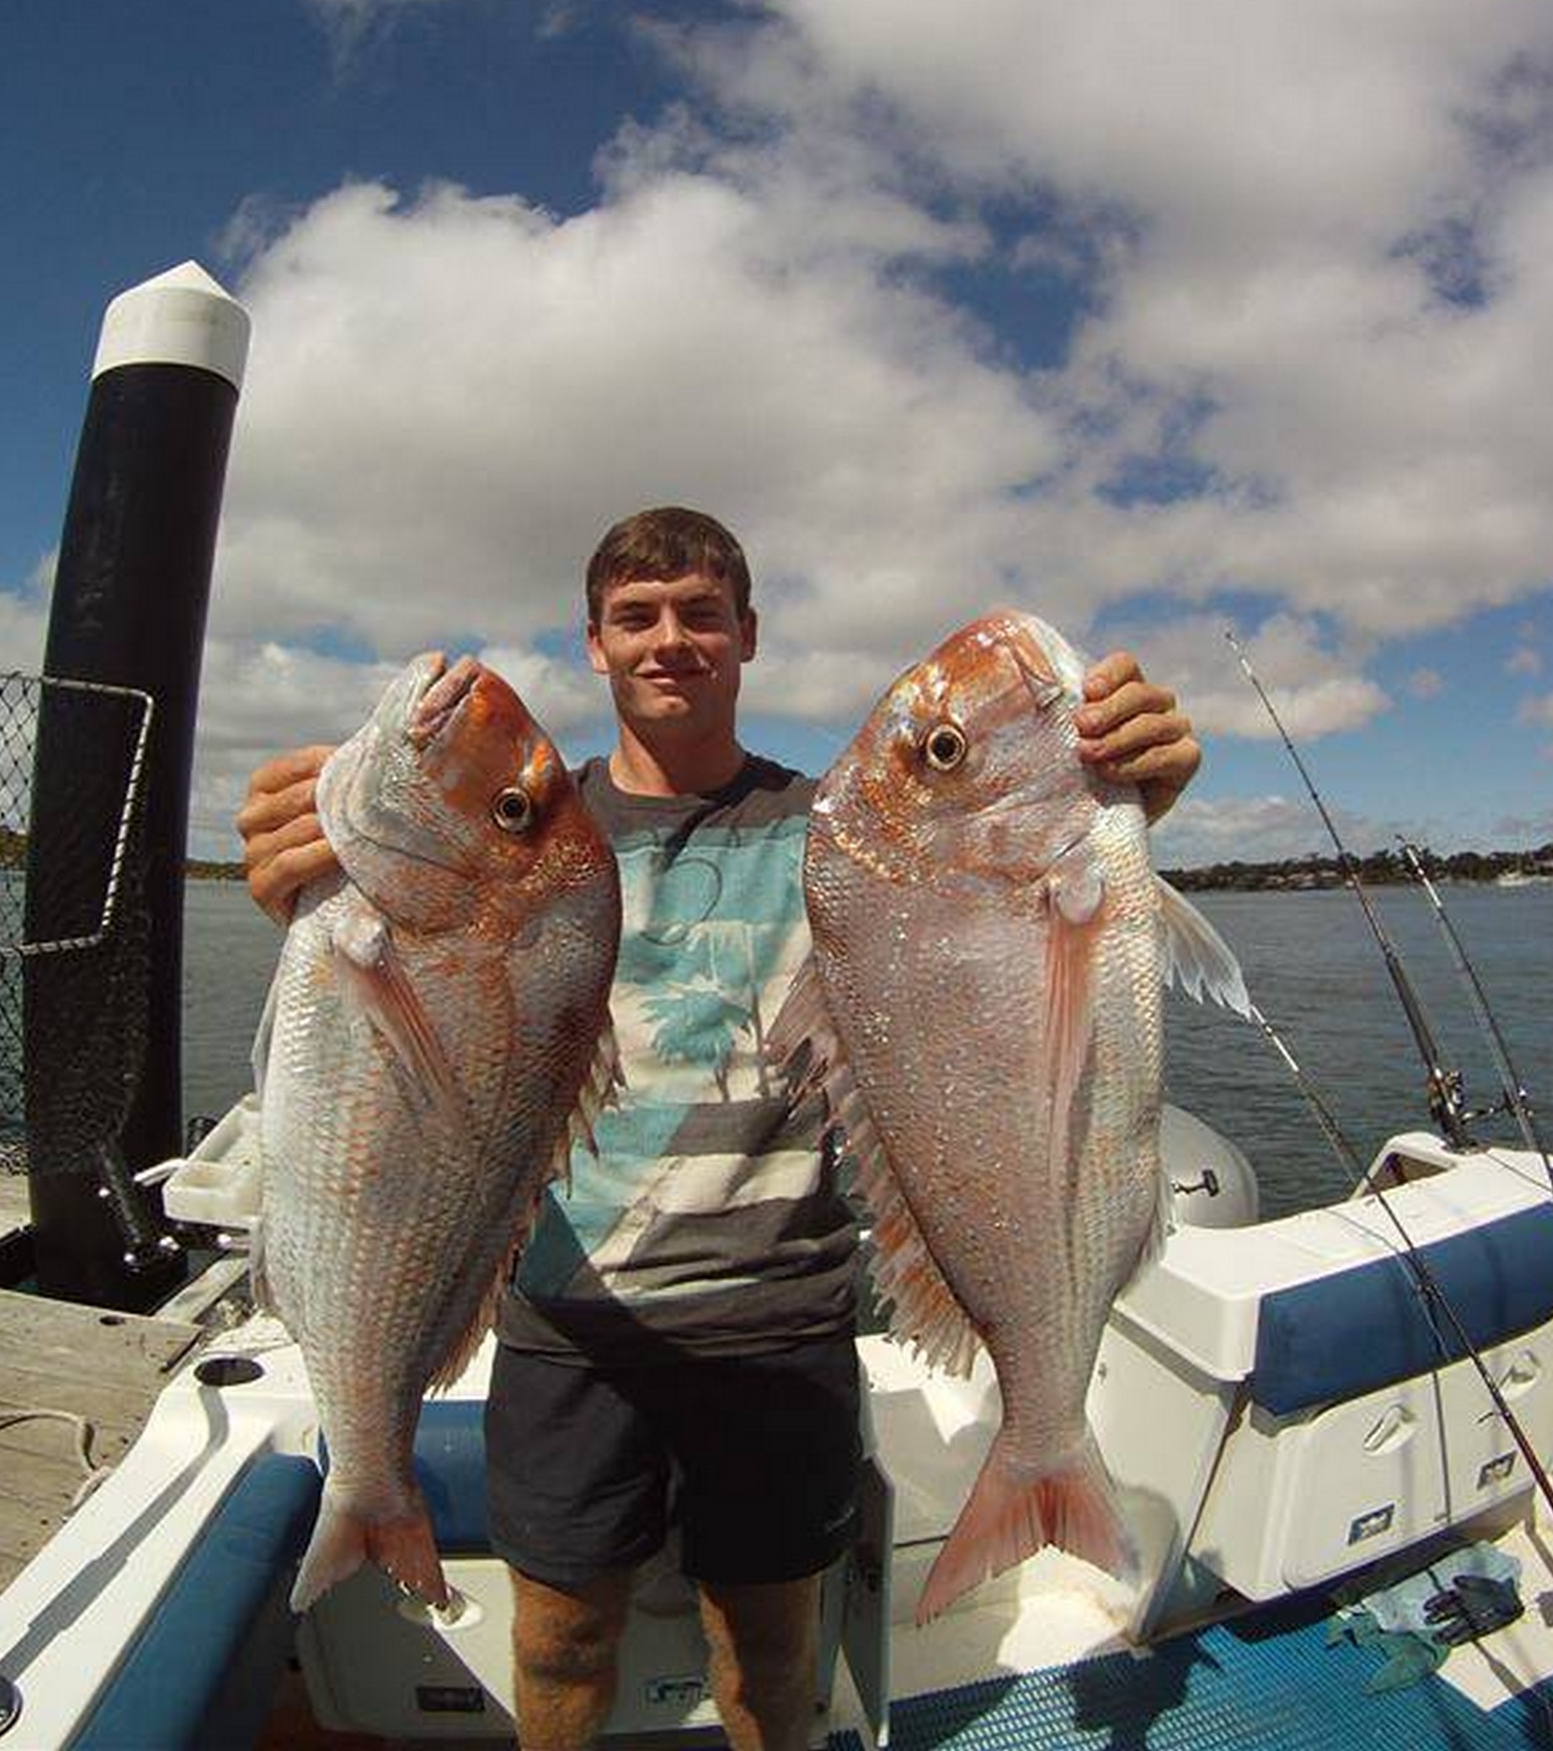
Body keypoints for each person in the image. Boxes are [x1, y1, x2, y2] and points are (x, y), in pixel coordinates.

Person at [235, 508, 1202, 1750]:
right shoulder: (526, 833)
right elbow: (410, 1043)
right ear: (593, 644)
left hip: (782, 1316)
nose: (670, 640)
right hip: (569, 1319)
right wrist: (313, 885)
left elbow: (977, 941)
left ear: (747, 635)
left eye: (701, 613)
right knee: (559, 1638)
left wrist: (1116, 798)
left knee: (770, 1648)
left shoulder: (848, 832)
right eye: (636, 616)